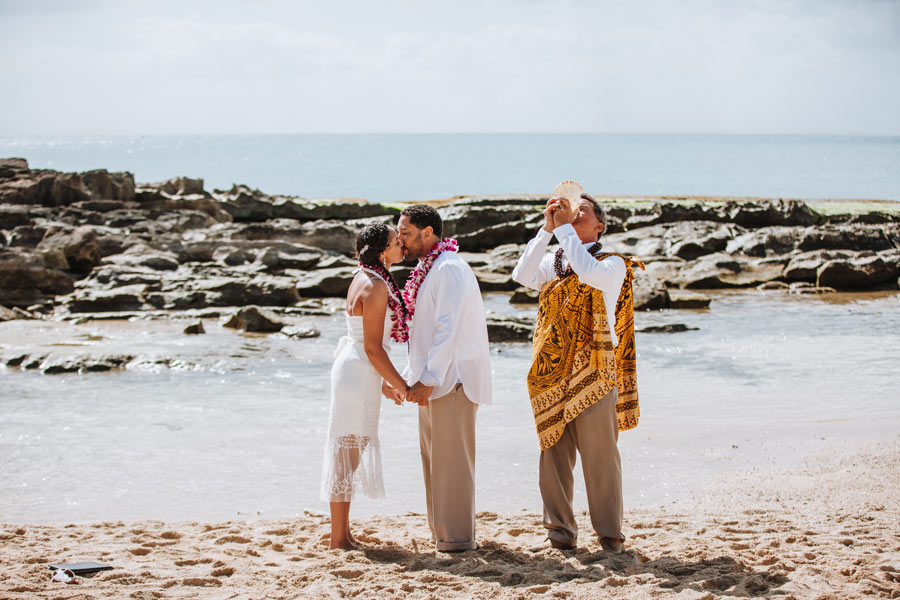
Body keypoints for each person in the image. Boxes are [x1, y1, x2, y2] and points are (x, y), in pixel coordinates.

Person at [512, 188, 641, 553]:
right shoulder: (555, 261)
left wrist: (564, 229)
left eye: (583, 211)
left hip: (595, 371)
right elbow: (521, 274)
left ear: (600, 226)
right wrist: (545, 230)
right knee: (552, 454)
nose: (575, 213)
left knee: (600, 457)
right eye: (571, 210)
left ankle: (610, 535)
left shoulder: (614, 264)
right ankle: (559, 533)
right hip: (553, 370)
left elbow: (589, 274)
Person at [397, 204, 492, 553]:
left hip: (453, 381)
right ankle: (442, 534)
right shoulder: (431, 268)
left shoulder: (449, 268)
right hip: (434, 381)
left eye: (405, 233)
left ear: (428, 233)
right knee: (434, 463)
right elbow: (421, 336)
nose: (400, 240)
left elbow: (447, 329)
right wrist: (408, 378)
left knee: (452, 465)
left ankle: (457, 540)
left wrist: (431, 378)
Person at [320, 222, 409, 550]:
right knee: (346, 456)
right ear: (383, 251)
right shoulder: (375, 285)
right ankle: (338, 539)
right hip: (358, 371)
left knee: (347, 455)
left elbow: (367, 344)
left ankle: (341, 534)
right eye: (396, 241)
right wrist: (404, 385)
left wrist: (382, 383)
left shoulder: (364, 277)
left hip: (357, 371)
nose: (402, 245)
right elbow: (373, 347)